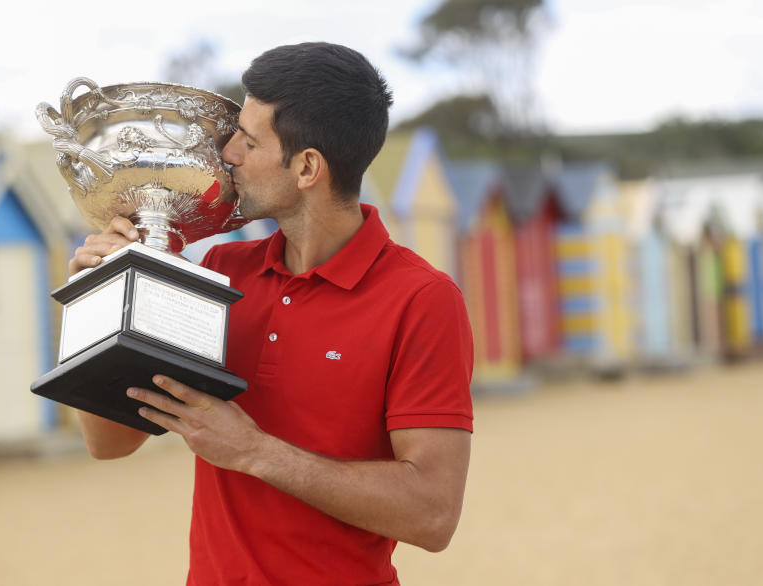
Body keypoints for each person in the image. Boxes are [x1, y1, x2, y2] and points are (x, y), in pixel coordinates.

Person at [69, 42, 474, 585]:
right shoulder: (220, 269)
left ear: (307, 167)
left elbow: (433, 514)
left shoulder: (421, 299)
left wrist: (257, 453)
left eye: (249, 140)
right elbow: (109, 442)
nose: (228, 153)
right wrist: (106, 290)